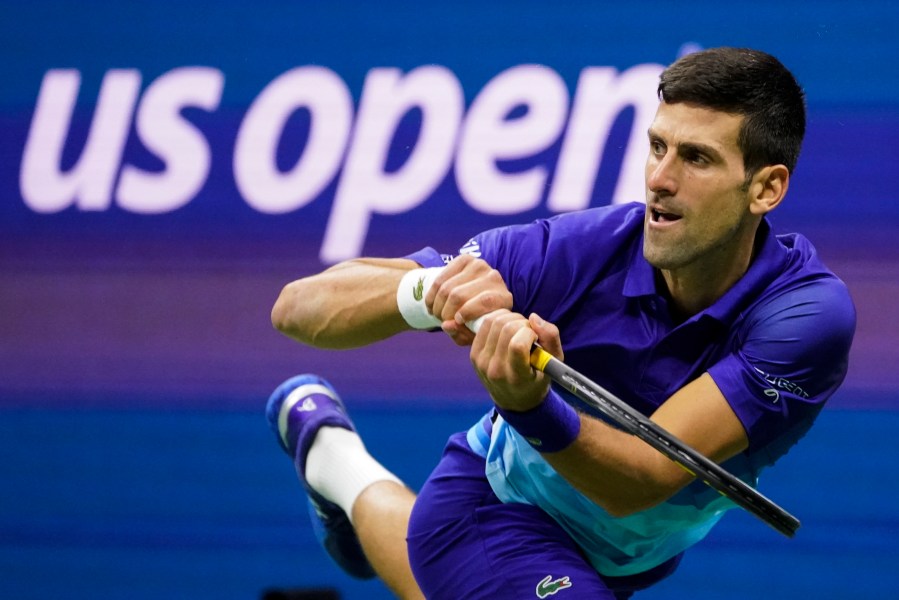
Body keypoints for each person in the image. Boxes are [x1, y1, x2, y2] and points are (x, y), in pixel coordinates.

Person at [265, 47, 856, 599]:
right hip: (495, 505)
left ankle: (332, 458)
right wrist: (430, 291)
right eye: (657, 147)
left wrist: (530, 401)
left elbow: (643, 480)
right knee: (468, 559)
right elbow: (297, 308)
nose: (659, 179)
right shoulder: (572, 252)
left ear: (767, 188)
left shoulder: (805, 317)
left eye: (696, 158)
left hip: (629, 547)